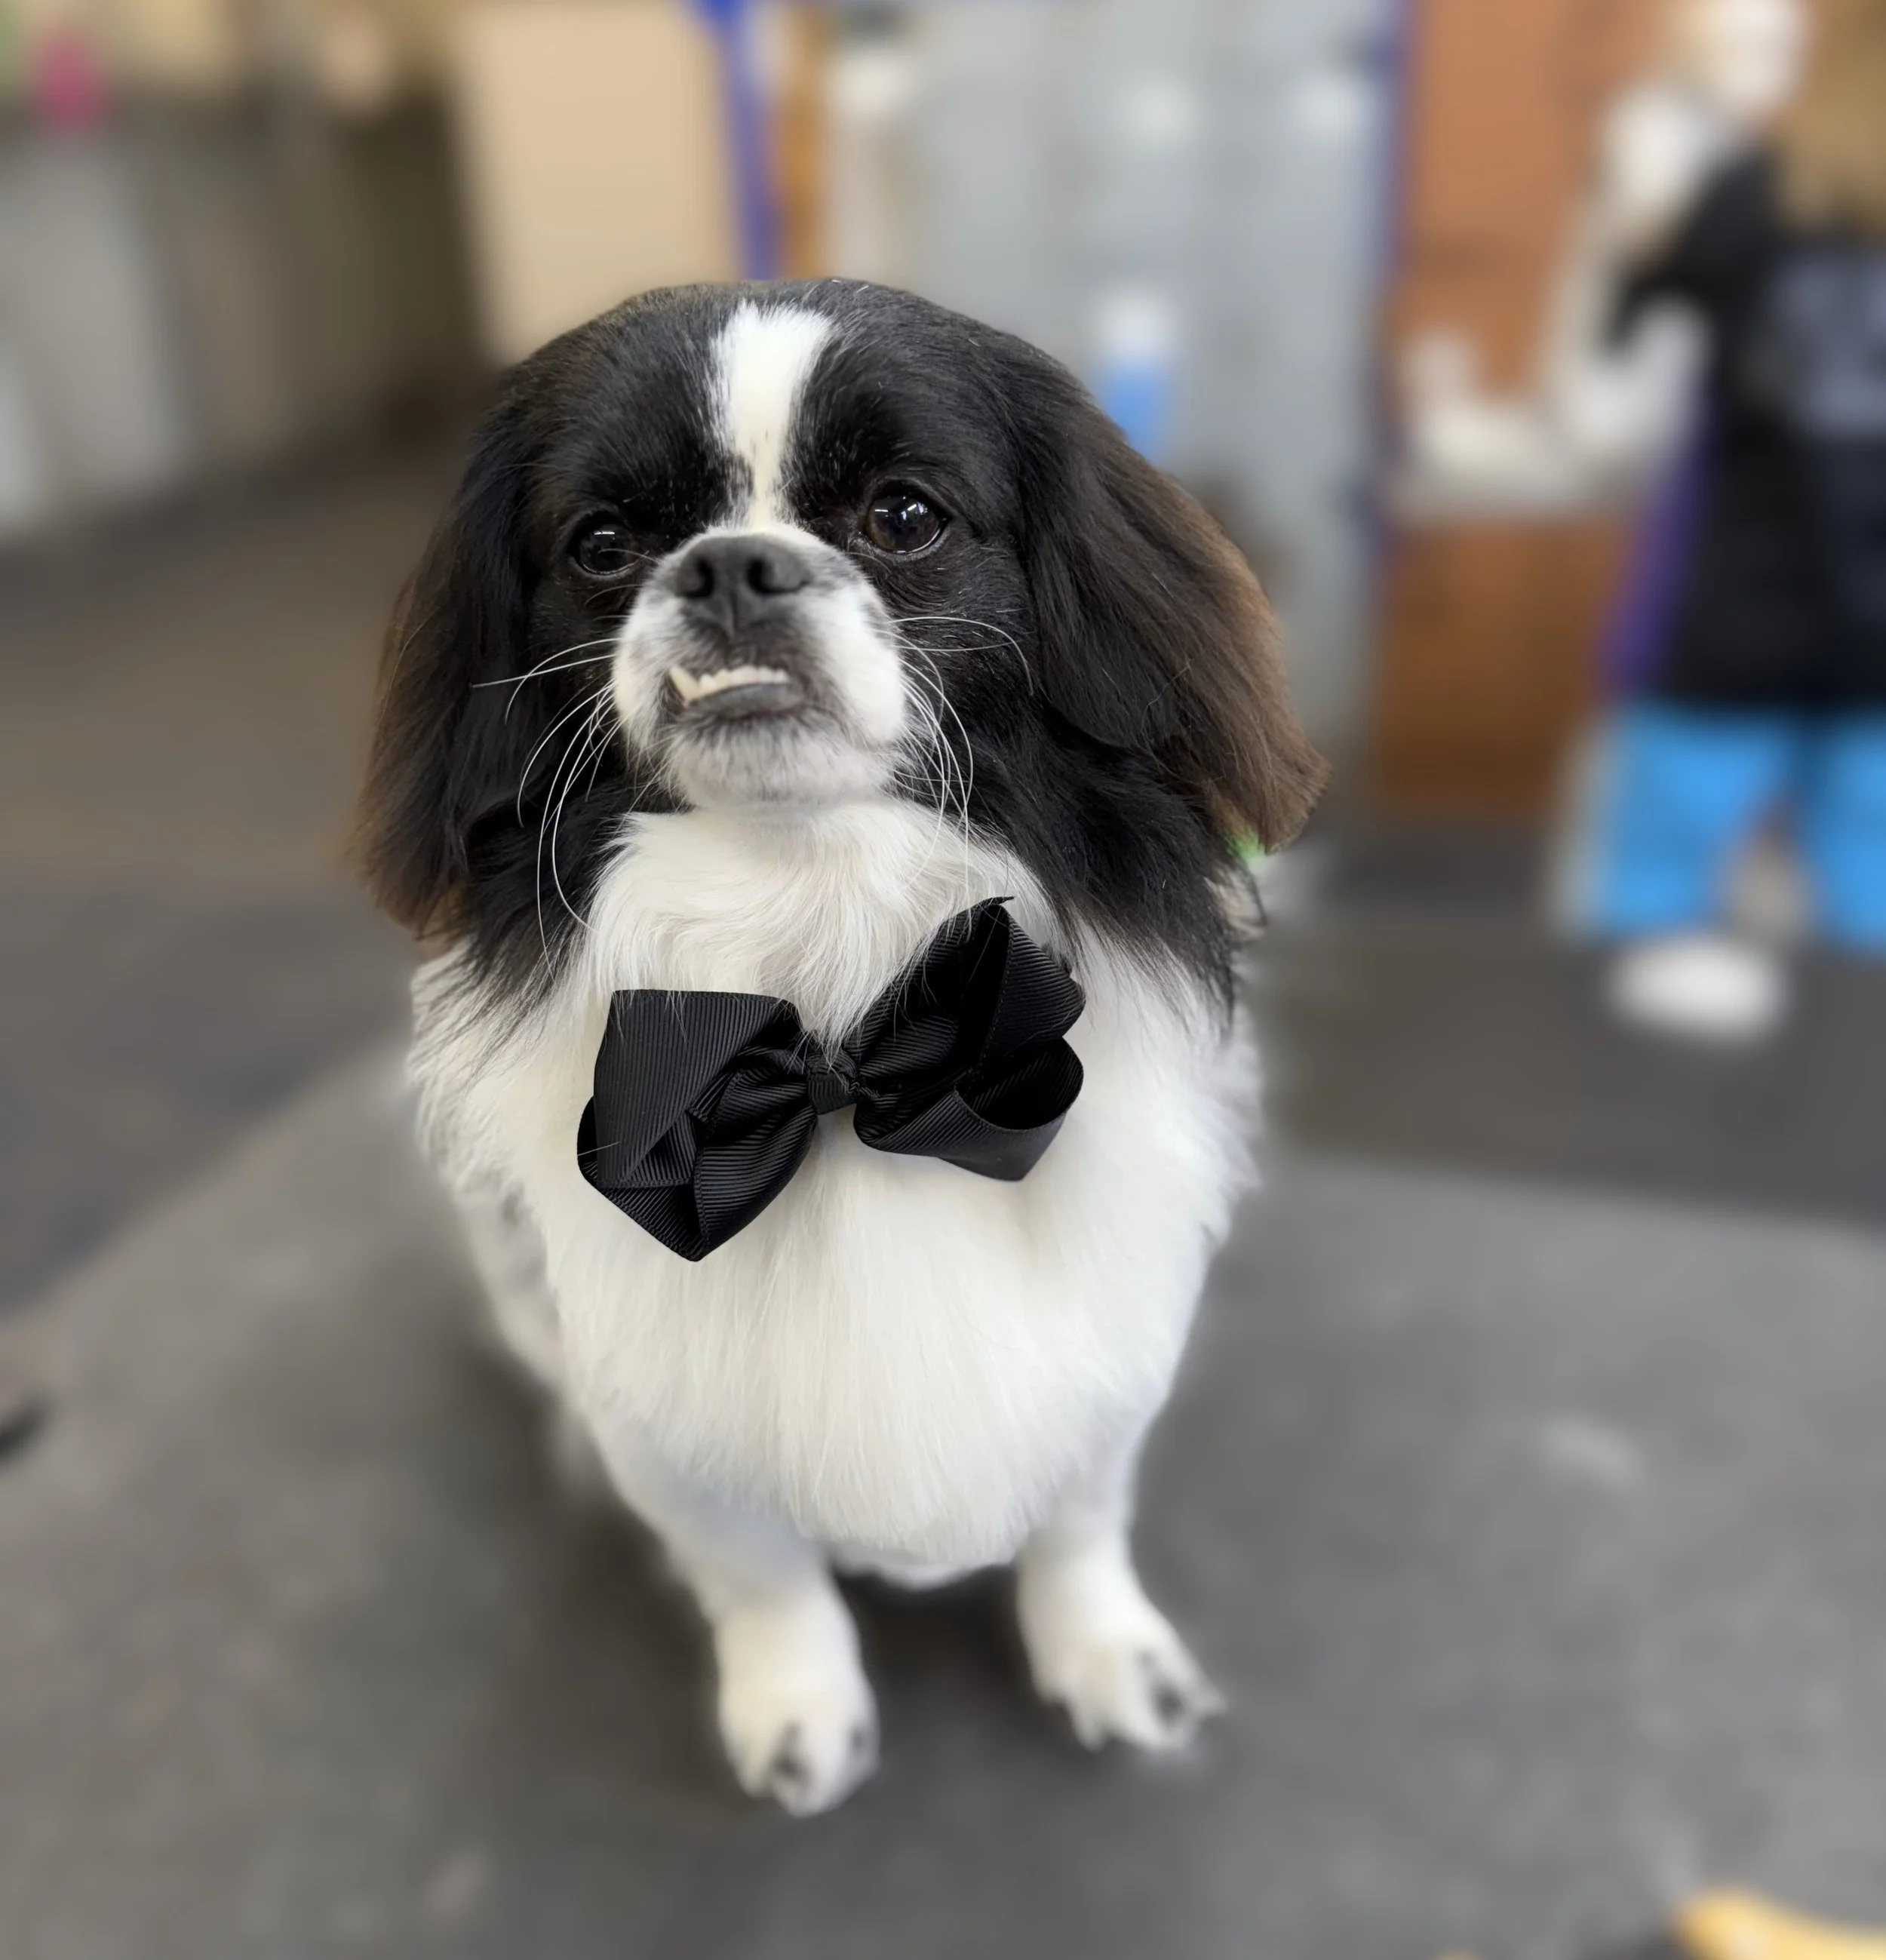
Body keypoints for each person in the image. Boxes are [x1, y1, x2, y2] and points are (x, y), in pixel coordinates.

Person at [1585, 0, 1886, 1037]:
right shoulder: (1746, 189)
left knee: (1650, 927)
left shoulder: (1751, 197)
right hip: (1857, 635)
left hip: (1739, 606)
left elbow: (1624, 338)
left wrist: (1643, 224)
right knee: (1870, 942)